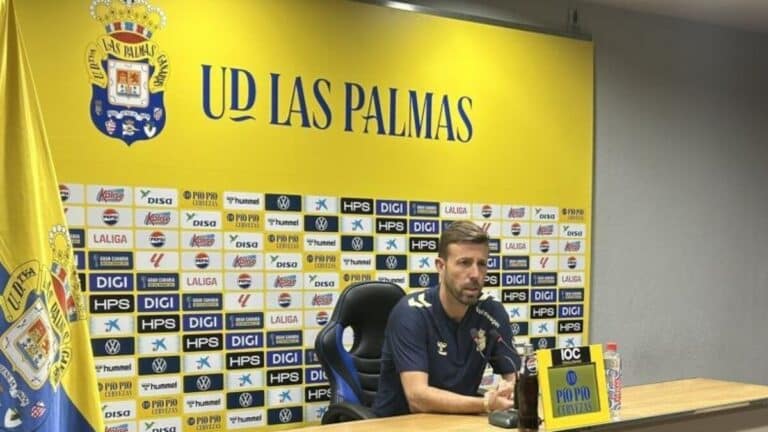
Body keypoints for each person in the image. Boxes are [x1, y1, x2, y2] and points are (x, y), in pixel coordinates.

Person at [373, 221, 521, 417]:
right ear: (441, 266)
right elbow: (417, 398)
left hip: (459, 423)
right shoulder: (411, 313)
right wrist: (485, 403)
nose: (475, 274)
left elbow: (514, 377)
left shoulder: (492, 311)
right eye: (464, 263)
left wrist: (510, 389)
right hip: (398, 424)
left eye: (482, 264)